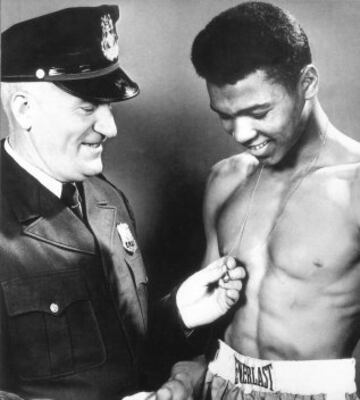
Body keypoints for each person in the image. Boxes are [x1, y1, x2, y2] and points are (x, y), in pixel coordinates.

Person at [0, 5, 246, 400]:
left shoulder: (106, 199)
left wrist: (179, 312)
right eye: (87, 107)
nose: (110, 128)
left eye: (109, 105)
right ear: (24, 109)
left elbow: (119, 354)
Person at [189, 1, 360, 399]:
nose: (242, 133)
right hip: (219, 387)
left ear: (308, 82)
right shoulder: (224, 180)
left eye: (259, 111)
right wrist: (187, 374)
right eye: (225, 115)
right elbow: (205, 319)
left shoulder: (354, 188)